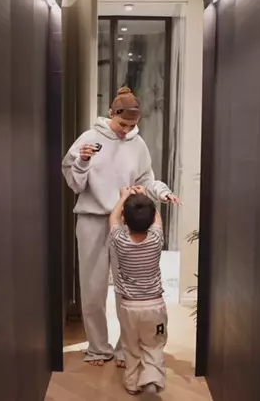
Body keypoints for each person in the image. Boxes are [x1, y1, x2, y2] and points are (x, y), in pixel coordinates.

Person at [62, 87, 180, 367]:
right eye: (122, 123)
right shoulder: (88, 139)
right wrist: (83, 161)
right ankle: (98, 347)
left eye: (132, 125)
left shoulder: (138, 144)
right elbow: (75, 185)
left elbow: (146, 180)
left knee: (128, 289)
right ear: (111, 114)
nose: (126, 130)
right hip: (92, 220)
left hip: (125, 222)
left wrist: (162, 192)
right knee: (92, 289)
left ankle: (126, 348)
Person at [109, 186, 168, 395]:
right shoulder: (156, 239)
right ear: (151, 219)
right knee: (154, 344)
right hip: (154, 306)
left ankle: (133, 383)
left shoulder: (119, 241)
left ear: (125, 219)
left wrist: (124, 197)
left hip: (129, 307)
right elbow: (157, 219)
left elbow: (112, 218)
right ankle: (151, 379)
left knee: (131, 346)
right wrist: (146, 196)